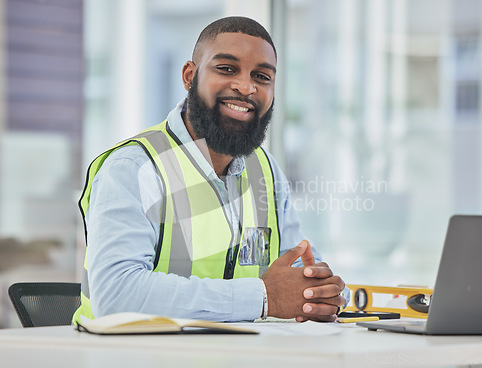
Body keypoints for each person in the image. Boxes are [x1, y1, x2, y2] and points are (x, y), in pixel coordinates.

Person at [73, 16, 348, 325]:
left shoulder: (266, 171)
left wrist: (321, 292)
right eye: (227, 69)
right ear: (190, 76)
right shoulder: (135, 168)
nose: (246, 87)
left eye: (261, 76)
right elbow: (116, 294)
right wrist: (262, 297)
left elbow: (297, 274)